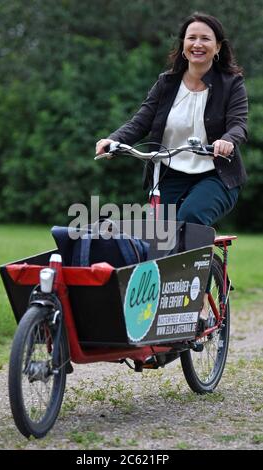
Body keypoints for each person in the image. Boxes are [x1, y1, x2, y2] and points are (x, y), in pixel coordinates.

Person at [95, 12, 248, 326]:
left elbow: (239, 124)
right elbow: (142, 120)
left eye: (205, 38)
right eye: (191, 38)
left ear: (218, 46)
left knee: (191, 218)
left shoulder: (231, 84)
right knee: (158, 237)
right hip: (168, 174)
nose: (197, 44)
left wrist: (227, 141)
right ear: (182, 45)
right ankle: (156, 312)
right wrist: (113, 140)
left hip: (216, 175)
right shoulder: (166, 84)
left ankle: (198, 303)